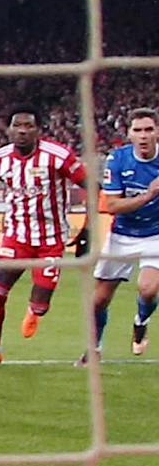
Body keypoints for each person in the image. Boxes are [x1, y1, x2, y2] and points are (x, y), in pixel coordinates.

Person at [0, 108, 89, 372]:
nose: (22, 130)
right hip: (15, 237)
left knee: (41, 304)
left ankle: (35, 310)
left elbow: (92, 187)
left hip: (51, 239)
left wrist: (88, 229)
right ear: (9, 129)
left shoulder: (58, 156)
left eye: (28, 125)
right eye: (17, 125)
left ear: (38, 130)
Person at [84, 108, 159, 364]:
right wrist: (147, 196)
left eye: (149, 129)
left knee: (148, 289)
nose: (143, 136)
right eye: (138, 130)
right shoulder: (118, 159)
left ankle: (141, 322)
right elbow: (112, 206)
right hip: (122, 234)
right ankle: (93, 349)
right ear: (129, 133)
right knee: (99, 299)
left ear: (157, 132)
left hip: (156, 234)